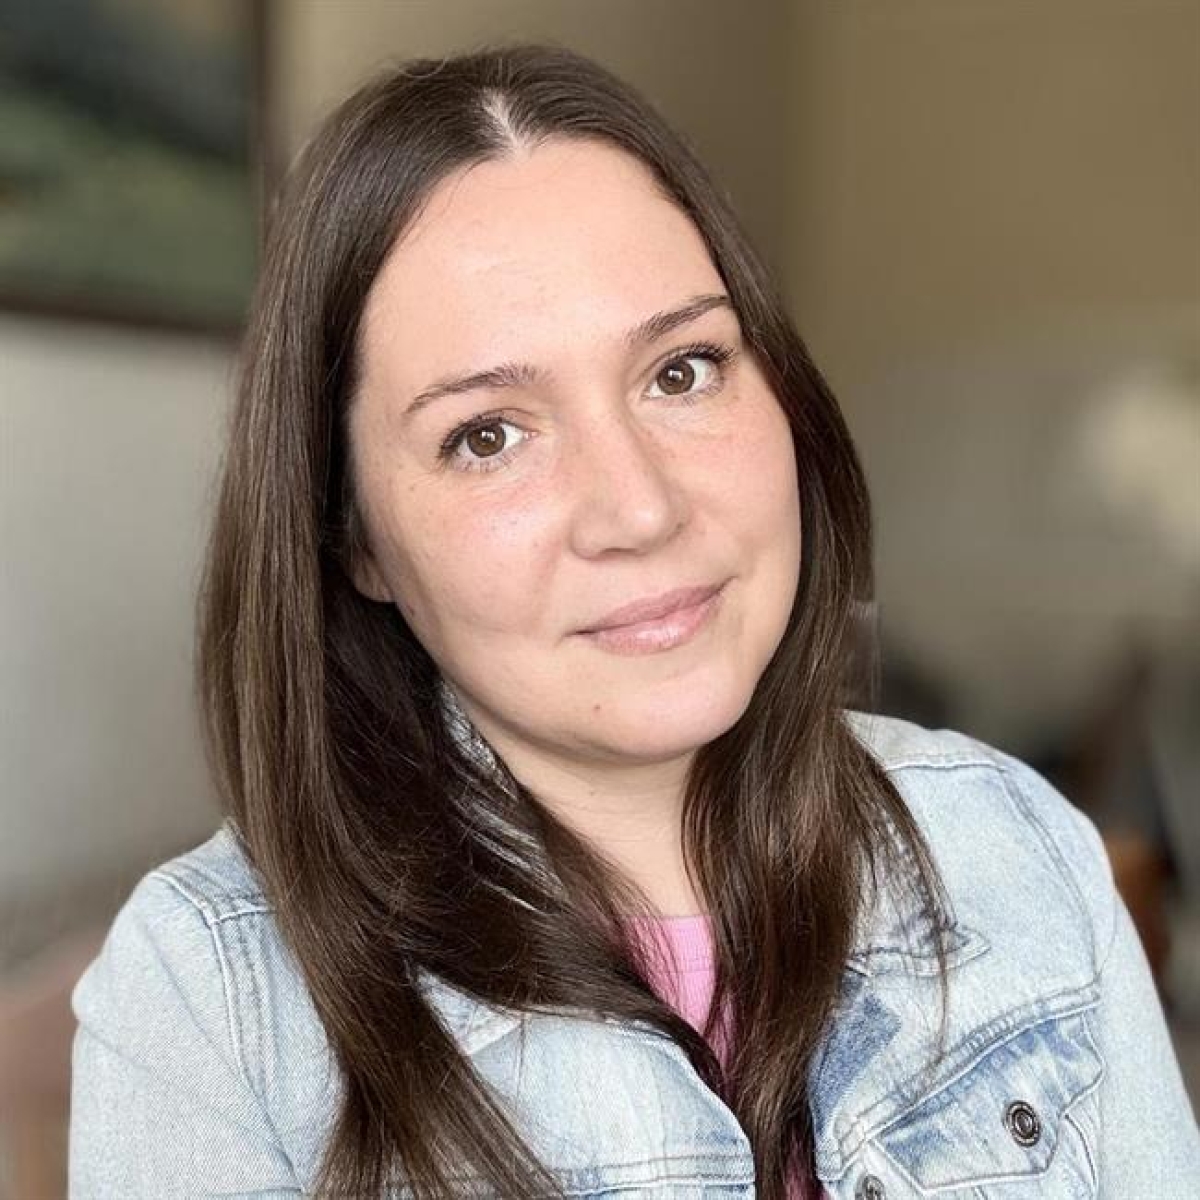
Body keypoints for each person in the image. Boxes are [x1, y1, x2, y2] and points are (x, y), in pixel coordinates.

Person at [68, 42, 1198, 1200]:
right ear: (353, 538)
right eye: (488, 436)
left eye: (683, 370)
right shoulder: (213, 1002)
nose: (641, 509)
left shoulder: (1017, 848)